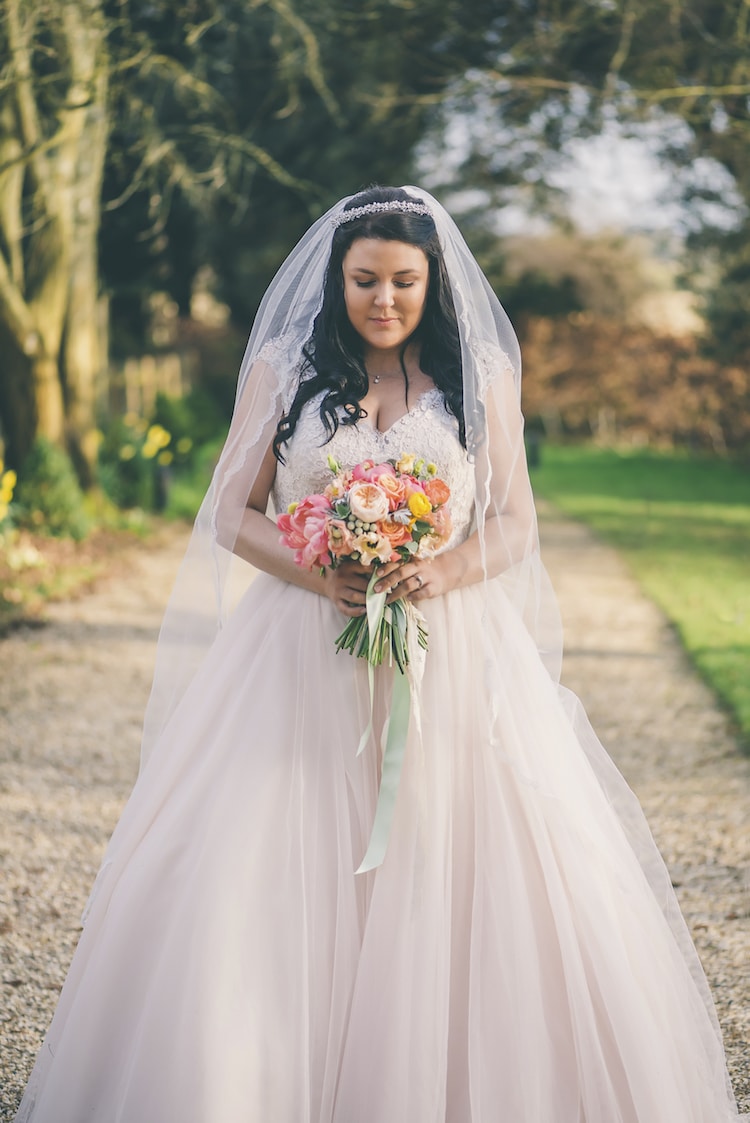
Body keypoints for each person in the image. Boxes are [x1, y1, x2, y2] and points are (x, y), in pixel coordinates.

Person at [15, 186, 745, 1122]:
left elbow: (518, 521)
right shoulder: (284, 370)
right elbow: (230, 511)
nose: (384, 299)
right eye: (365, 280)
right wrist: (321, 572)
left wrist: (449, 568)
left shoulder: (480, 377)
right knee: (271, 853)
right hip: (299, 652)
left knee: (459, 861)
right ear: (339, 278)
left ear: (433, 281)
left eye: (404, 280)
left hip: (454, 653)